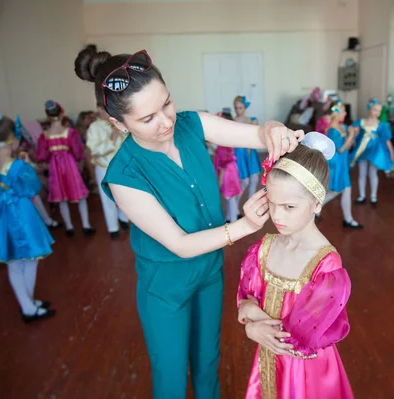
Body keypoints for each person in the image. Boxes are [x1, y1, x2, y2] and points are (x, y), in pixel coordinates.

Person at [74, 46, 303, 399]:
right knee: (171, 377)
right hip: (166, 288)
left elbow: (257, 135)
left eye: (166, 103)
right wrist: (242, 226)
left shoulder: (191, 124)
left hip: (209, 273)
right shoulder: (124, 175)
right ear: (119, 123)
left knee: (208, 362)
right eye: (147, 119)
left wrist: (273, 130)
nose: (166, 121)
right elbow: (179, 243)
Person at [237, 133, 353, 398]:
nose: (277, 215)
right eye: (273, 204)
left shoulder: (327, 268)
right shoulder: (263, 249)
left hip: (305, 374)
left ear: (317, 203)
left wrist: (253, 325)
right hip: (268, 359)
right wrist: (249, 317)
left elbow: (298, 339)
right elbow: (244, 303)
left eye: (289, 206)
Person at [0, 113, 56, 322]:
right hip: (20, 213)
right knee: (29, 259)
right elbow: (33, 187)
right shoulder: (16, 165)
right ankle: (28, 307)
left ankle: (28, 303)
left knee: (14, 261)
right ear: (11, 137)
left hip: (2, 213)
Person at [36, 101, 95, 237]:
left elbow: (41, 155)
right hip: (70, 166)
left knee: (61, 197)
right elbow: (78, 153)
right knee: (80, 196)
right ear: (62, 114)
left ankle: (69, 227)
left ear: (47, 116)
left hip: (55, 167)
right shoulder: (70, 133)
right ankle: (86, 225)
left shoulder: (44, 136)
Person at [85, 105, 129, 239]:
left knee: (125, 194)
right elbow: (93, 150)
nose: (104, 113)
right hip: (103, 167)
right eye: (102, 110)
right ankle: (113, 228)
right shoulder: (94, 127)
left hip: (122, 166)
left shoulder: (119, 123)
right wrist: (111, 140)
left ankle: (123, 217)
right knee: (107, 198)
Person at [317, 101, 362, 228]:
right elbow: (341, 148)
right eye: (343, 111)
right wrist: (352, 135)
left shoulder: (343, 127)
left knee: (345, 189)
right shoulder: (332, 130)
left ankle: (347, 219)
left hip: (342, 163)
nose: (345, 113)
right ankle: (318, 208)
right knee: (340, 189)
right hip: (336, 164)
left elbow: (351, 144)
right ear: (336, 113)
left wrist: (354, 134)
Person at [350, 99, 394, 207]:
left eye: (379, 111)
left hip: (375, 151)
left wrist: (391, 153)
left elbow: (387, 140)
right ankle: (362, 196)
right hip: (363, 150)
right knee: (362, 174)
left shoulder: (382, 125)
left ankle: (373, 196)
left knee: (373, 173)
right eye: (375, 110)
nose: (377, 112)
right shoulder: (360, 122)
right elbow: (354, 135)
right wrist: (354, 133)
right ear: (369, 109)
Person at [214, 111, 242, 223]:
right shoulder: (224, 137)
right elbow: (221, 154)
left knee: (230, 196)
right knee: (230, 197)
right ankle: (229, 218)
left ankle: (233, 221)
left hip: (227, 172)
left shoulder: (226, 139)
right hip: (229, 169)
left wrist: (220, 176)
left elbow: (226, 160)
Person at [234, 95, 263, 203]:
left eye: (240, 108)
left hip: (250, 152)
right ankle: (234, 205)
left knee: (254, 178)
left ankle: (251, 203)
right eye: (236, 108)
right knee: (244, 181)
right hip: (239, 152)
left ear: (245, 108)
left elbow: (257, 135)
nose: (238, 110)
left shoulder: (252, 120)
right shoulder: (232, 121)